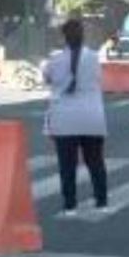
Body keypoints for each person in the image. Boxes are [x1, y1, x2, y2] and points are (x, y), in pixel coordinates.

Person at [43, 18, 108, 217]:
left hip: (64, 119)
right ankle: (101, 201)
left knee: (67, 165)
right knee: (95, 162)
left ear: (64, 37)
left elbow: (47, 78)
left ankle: (70, 204)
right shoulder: (94, 58)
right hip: (92, 117)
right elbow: (97, 79)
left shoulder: (55, 60)